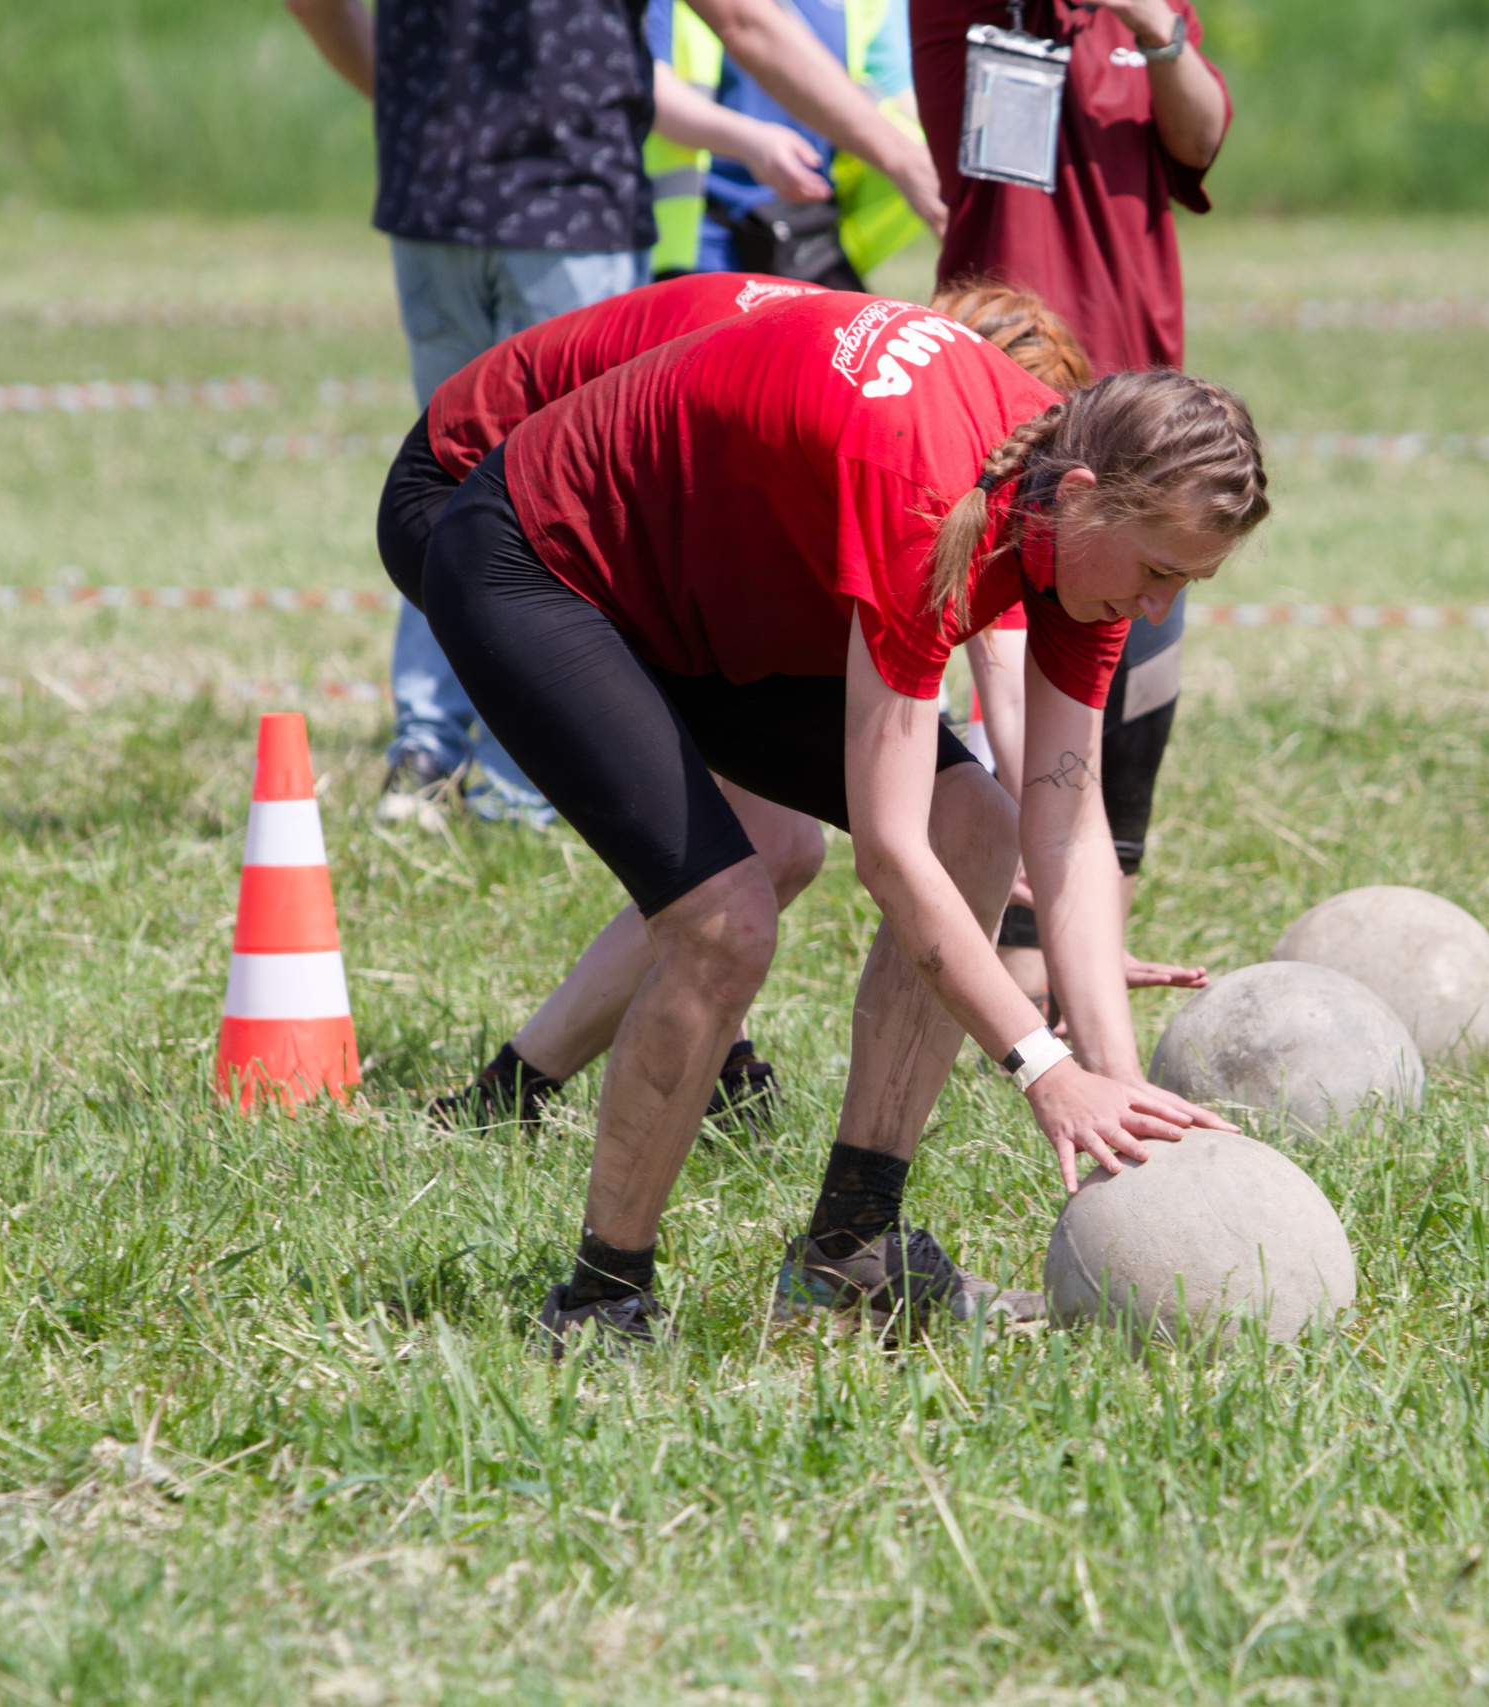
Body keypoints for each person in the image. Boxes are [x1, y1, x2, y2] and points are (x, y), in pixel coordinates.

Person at [414, 289, 1268, 1345]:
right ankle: (602, 1300)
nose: (1158, 610)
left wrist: (1119, 1087)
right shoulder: (930, 498)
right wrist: (1045, 1071)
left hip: (707, 602)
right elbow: (890, 854)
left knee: (979, 827)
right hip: (543, 564)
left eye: (1187, 583)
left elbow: (1065, 824)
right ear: (1085, 497)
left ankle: (850, 1248)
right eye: (1157, 573)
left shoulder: (1074, 533)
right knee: (725, 920)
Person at [392, 277, 1096, 1130]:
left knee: (778, 847)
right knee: (759, 856)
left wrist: (1078, 933)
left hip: (627, 519)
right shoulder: (893, 426)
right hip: (473, 493)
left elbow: (1013, 699)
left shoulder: (901, 400)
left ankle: (513, 1093)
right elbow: (997, 679)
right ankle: (570, 1082)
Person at [283, 0, 947, 827]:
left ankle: (429, 747)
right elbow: (745, 20)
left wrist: (415, 105)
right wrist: (904, 160)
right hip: (566, 208)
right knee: (554, 502)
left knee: (450, 472)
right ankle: (524, 778)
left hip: (434, 199)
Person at [912, 0, 1231, 1005]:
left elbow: (1201, 139)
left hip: (1141, 400)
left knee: (1130, 703)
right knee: (1011, 697)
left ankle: (1080, 981)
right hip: (1017, 383)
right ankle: (1015, 990)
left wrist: (1155, 26)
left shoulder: (1144, 16)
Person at [644, 0, 928, 288]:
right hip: (705, 234)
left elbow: (898, 91)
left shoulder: (867, 6)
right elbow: (648, 84)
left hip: (809, 222)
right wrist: (749, 141)